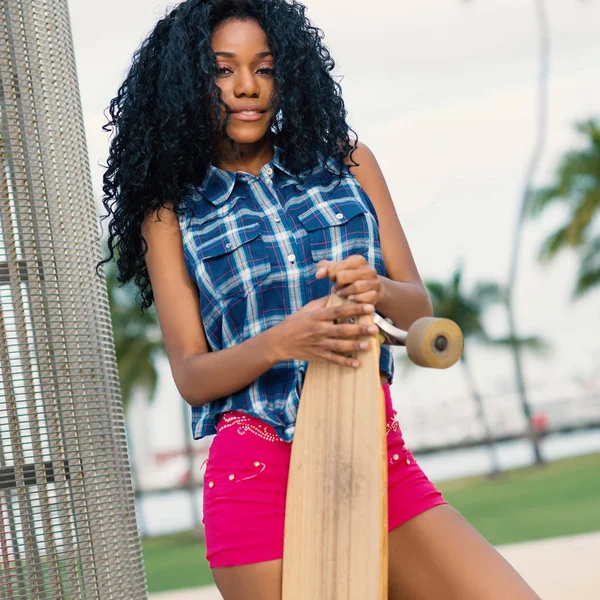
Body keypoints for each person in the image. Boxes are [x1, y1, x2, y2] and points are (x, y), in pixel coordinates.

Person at [98, 1, 541, 598]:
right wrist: (284, 340)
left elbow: (420, 310)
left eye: (265, 67)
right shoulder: (170, 212)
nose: (248, 87)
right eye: (223, 70)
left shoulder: (348, 161)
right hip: (258, 473)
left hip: (375, 452)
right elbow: (192, 375)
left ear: (290, 74)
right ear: (188, 83)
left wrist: (377, 289)